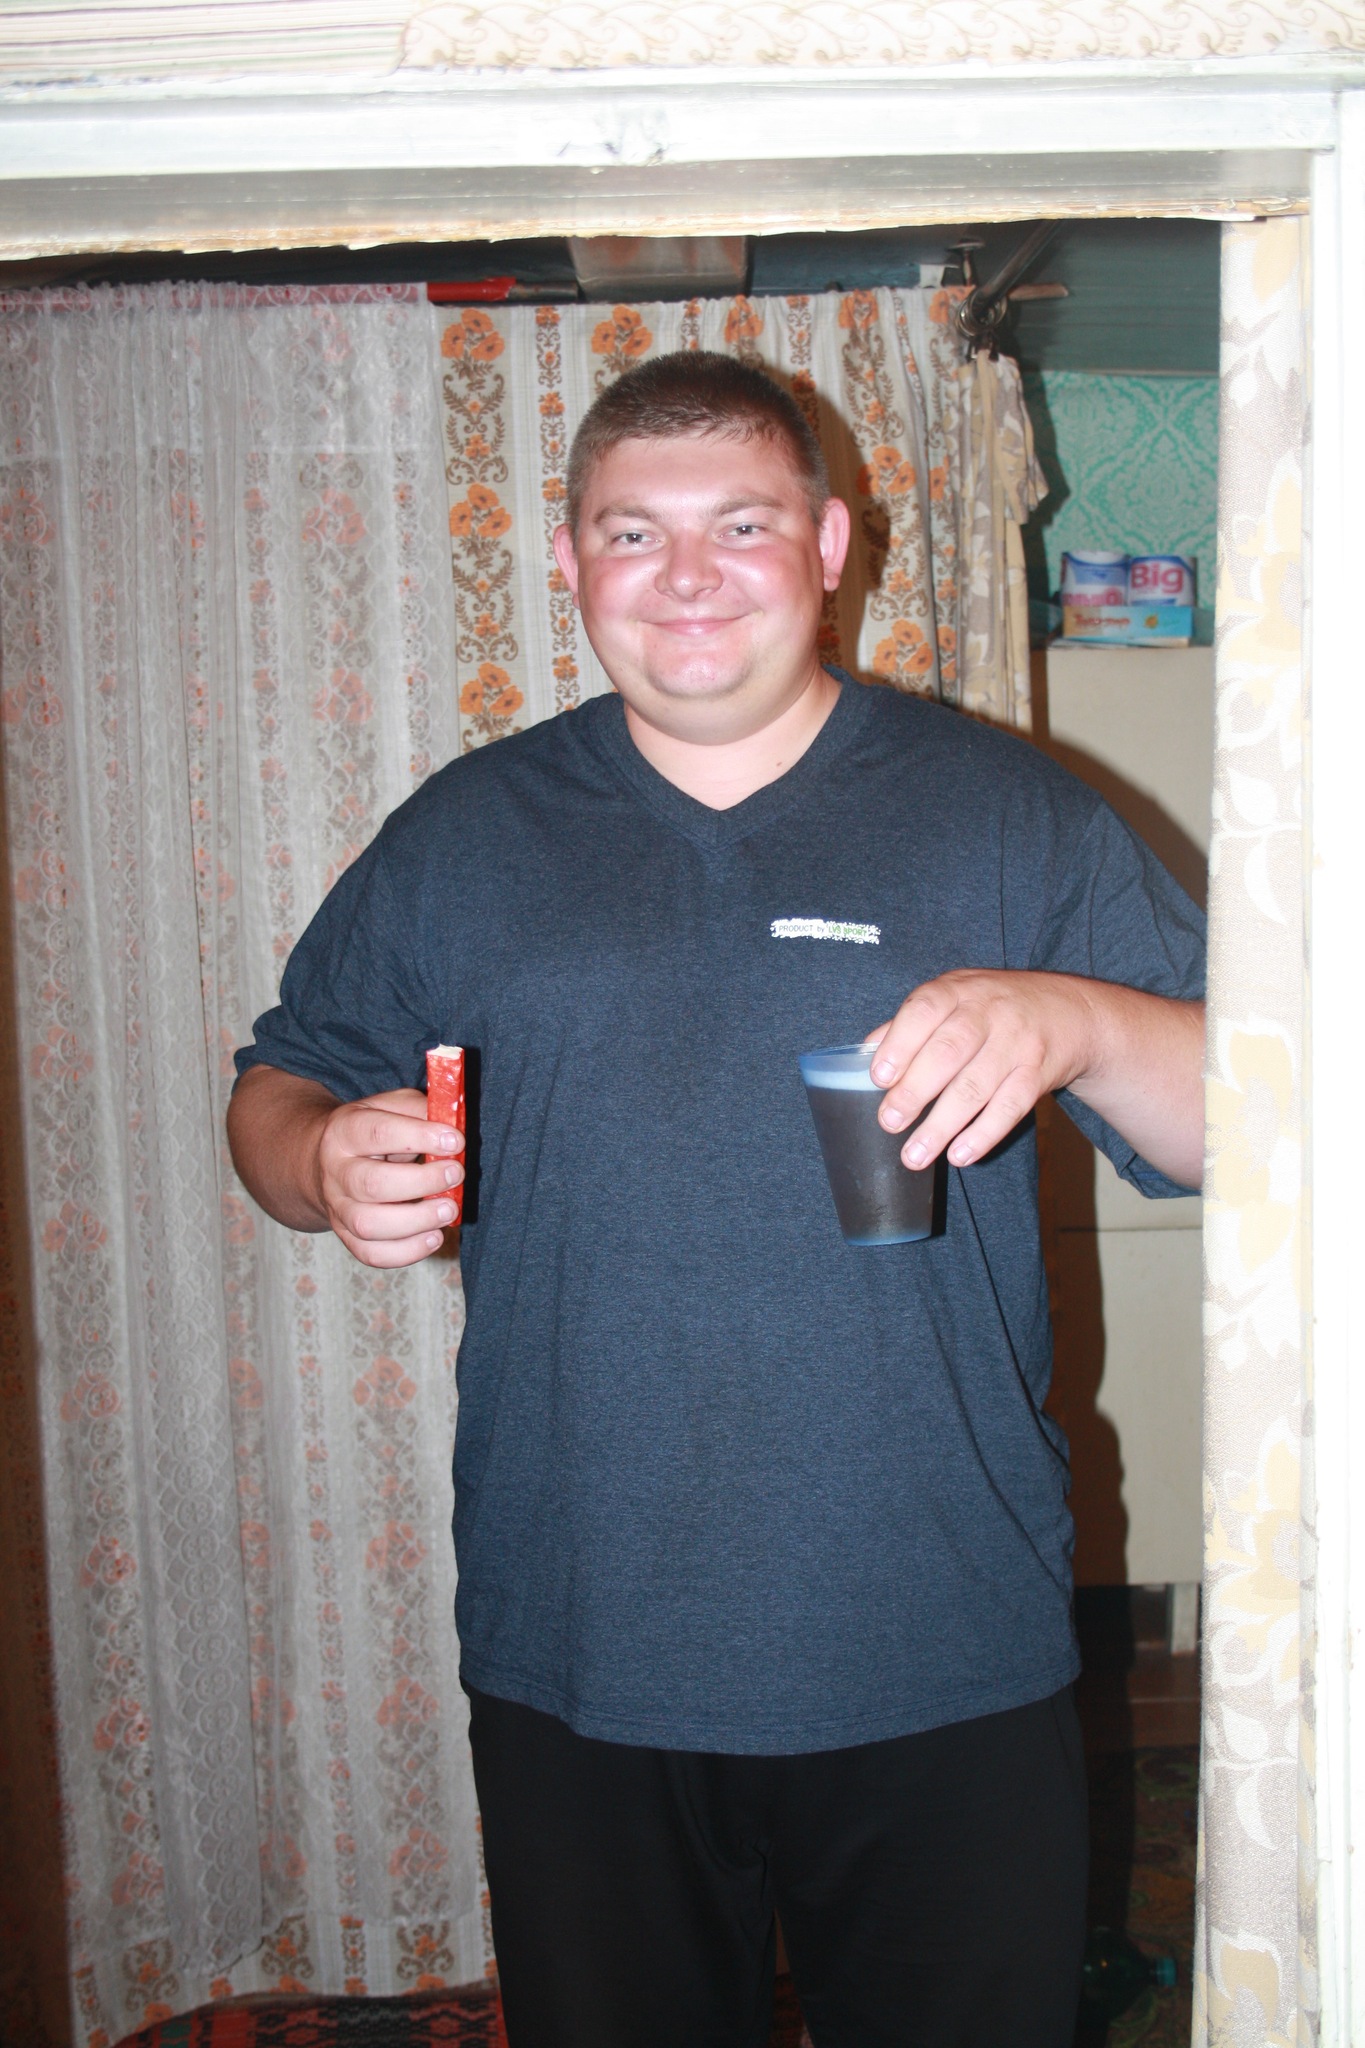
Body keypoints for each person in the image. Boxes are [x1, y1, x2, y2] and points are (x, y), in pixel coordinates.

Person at [229, 350, 1205, 2048]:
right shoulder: (463, 837)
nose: (684, 576)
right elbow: (278, 1081)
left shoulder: (1008, 815)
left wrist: (1079, 1021)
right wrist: (314, 1159)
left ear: (827, 546)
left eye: (740, 525)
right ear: (568, 562)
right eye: (632, 533)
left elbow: (1249, 1129)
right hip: (582, 1631)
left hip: (938, 1623)